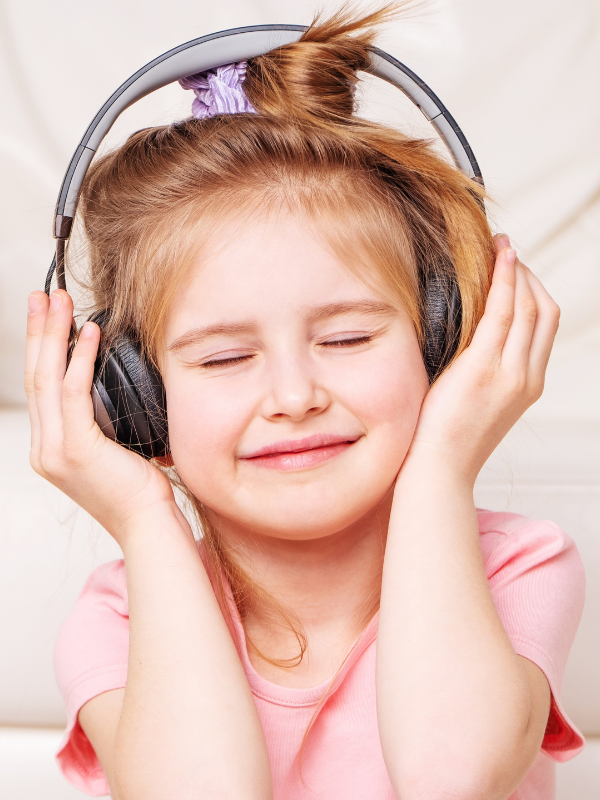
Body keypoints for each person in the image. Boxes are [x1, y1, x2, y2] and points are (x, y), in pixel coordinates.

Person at [24, 6, 584, 800]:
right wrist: (145, 519)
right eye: (224, 357)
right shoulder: (123, 616)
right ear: (134, 393)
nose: (294, 397)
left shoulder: (518, 567)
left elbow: (452, 779)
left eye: (349, 340)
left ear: (444, 340)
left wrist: (442, 463)